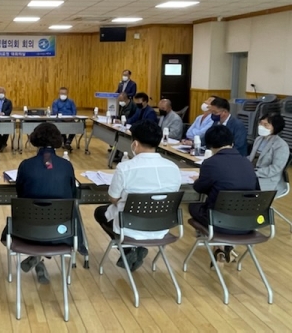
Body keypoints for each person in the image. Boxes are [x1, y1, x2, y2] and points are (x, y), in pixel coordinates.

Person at [94, 120, 181, 271]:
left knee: (100, 212)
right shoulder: (174, 168)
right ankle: (133, 249)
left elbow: (113, 198)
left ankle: (128, 249)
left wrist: (124, 201)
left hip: (131, 226)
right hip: (162, 226)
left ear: (135, 143)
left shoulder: (125, 168)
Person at [10, 123, 82, 283]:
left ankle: (37, 258)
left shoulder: (26, 165)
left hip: (27, 231)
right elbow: (72, 195)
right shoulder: (66, 166)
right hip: (61, 233)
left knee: (6, 233)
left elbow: (20, 194)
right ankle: (38, 259)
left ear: (35, 139)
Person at [189, 125, 259, 264]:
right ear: (232, 142)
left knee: (193, 207)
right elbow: (256, 190)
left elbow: (199, 188)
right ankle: (223, 246)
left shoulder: (210, 163)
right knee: (217, 206)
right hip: (247, 223)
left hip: (219, 223)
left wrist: (198, 180)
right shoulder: (247, 163)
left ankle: (218, 246)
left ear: (210, 145)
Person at [248, 113, 290, 196]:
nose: (261, 126)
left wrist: (254, 173)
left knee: (241, 184)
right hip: (252, 173)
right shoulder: (258, 139)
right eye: (261, 123)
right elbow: (251, 157)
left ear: (275, 128)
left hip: (267, 179)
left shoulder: (281, 145)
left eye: (266, 125)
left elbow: (275, 169)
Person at [51, 87, 77, 152]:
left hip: (70, 119)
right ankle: (65, 142)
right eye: (61, 93)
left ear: (67, 94)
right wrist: (62, 117)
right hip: (60, 120)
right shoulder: (55, 102)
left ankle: (68, 142)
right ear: (59, 94)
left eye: (64, 93)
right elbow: (55, 112)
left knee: (76, 126)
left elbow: (74, 111)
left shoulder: (71, 102)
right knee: (59, 126)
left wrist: (71, 117)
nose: (63, 95)